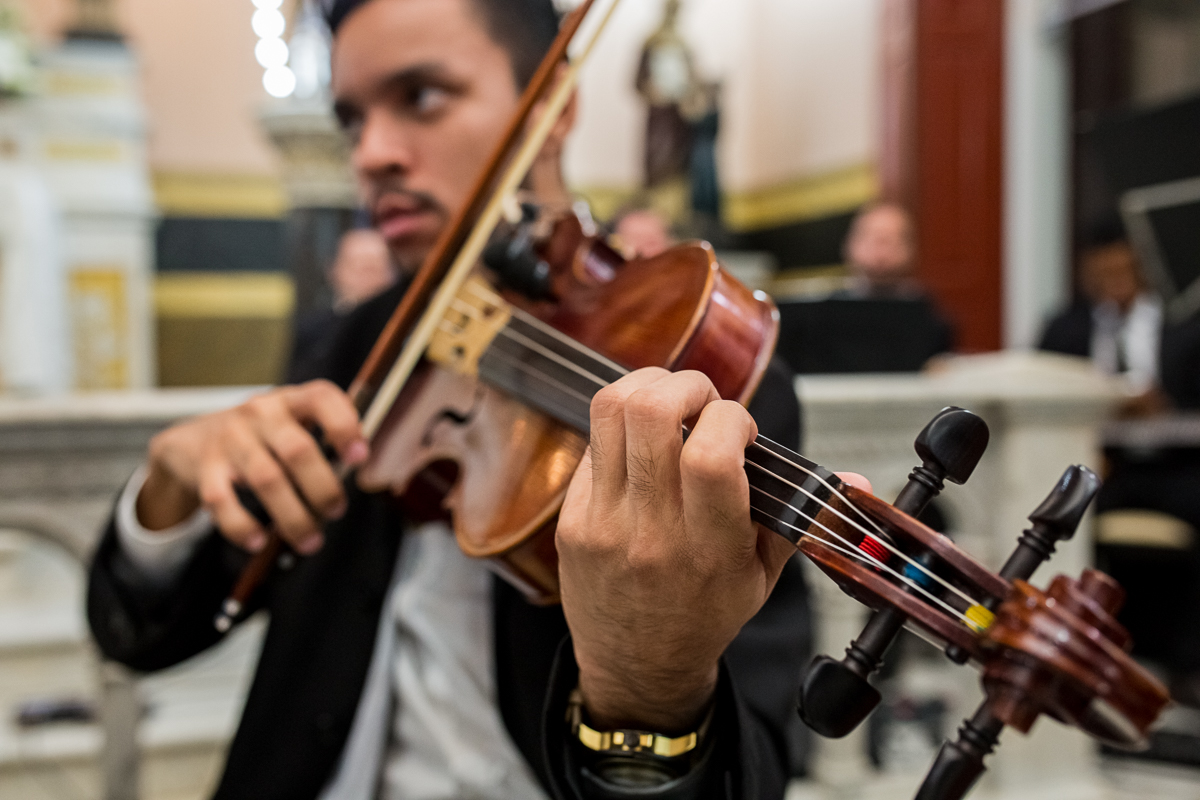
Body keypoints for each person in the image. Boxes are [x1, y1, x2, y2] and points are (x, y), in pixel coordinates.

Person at [86, 1, 821, 798]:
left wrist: (651, 686)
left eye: (423, 98)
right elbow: (147, 634)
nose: (371, 154)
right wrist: (169, 490)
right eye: (352, 119)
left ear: (552, 107)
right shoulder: (351, 344)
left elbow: (754, 772)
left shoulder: (696, 376)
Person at [288, 226, 398, 384]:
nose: (369, 276)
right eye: (360, 267)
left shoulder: (402, 326)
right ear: (333, 270)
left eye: (378, 267)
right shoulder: (312, 329)